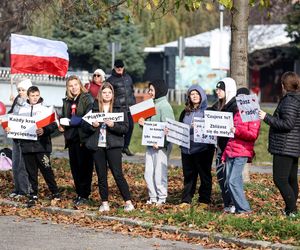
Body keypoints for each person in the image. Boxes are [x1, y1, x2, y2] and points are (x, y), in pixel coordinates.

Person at [84, 82, 134, 212]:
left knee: (118, 174)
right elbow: (84, 126)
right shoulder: (93, 107)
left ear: (113, 94)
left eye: (109, 92)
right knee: (101, 175)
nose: (107, 95)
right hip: (98, 146)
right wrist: (92, 126)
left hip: (113, 146)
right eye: (104, 92)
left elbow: (125, 128)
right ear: (100, 94)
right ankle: (104, 202)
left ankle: (128, 202)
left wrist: (113, 125)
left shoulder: (119, 108)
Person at [259, 72, 300, 217]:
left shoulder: (289, 101)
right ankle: (292, 211)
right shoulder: (296, 99)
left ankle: (291, 210)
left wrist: (266, 117)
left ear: (284, 85)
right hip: (293, 146)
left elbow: (287, 124)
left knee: (280, 179)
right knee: (291, 179)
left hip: (284, 146)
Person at [18, 86, 59, 207]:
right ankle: (33, 194)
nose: (35, 98)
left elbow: (54, 125)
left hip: (42, 146)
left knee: (47, 170)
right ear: (28, 96)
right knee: (31, 172)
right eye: (32, 96)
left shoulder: (46, 110)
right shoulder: (21, 110)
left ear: (39, 95)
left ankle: (55, 192)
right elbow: (16, 126)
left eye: (37, 95)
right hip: (27, 146)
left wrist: (44, 130)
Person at [222, 87, 260, 215]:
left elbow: (253, 135)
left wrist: (237, 131)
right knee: (230, 181)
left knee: (233, 181)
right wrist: (224, 154)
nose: (240, 101)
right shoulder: (237, 113)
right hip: (231, 151)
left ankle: (244, 209)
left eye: (242, 98)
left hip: (242, 152)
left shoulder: (252, 113)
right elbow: (231, 137)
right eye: (238, 98)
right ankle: (239, 209)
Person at [138, 80, 175, 205]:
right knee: (148, 173)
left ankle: (162, 197)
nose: (149, 92)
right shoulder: (150, 105)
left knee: (159, 173)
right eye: (149, 90)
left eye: (152, 90)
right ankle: (152, 197)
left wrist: (161, 143)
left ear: (158, 90)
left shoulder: (165, 106)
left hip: (161, 147)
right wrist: (142, 124)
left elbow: (169, 129)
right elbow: (149, 127)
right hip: (150, 145)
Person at [179, 85, 215, 208]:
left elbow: (212, 129)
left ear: (202, 95)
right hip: (187, 149)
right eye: (192, 94)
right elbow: (179, 128)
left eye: (197, 94)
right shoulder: (185, 112)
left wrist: (200, 126)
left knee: (204, 175)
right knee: (189, 175)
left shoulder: (208, 112)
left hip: (203, 149)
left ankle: (204, 200)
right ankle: (186, 199)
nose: (194, 96)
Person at [60, 75, 94, 205]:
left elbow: (90, 116)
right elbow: (64, 117)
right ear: (68, 88)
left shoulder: (87, 98)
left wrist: (77, 121)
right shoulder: (67, 100)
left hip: (83, 138)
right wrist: (61, 125)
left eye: (75, 85)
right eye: (70, 85)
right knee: (75, 168)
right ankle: (79, 193)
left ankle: (85, 195)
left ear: (79, 85)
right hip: (71, 138)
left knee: (84, 167)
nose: (73, 88)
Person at [210, 77, 237, 213]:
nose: (218, 92)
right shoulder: (217, 105)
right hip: (219, 146)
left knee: (229, 177)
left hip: (230, 147)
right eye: (217, 89)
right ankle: (227, 203)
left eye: (221, 89)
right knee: (221, 176)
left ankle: (233, 203)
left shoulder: (235, 106)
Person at [7, 79, 32, 198]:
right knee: (15, 163)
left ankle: (24, 190)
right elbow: (10, 114)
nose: (21, 92)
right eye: (19, 90)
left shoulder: (31, 103)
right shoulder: (17, 100)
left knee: (23, 165)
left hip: (25, 138)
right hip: (15, 137)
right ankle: (17, 188)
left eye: (23, 90)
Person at [107, 59, 135, 156]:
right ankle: (118, 148)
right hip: (117, 108)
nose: (119, 68)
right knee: (119, 129)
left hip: (129, 108)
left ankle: (125, 147)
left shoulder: (128, 78)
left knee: (130, 126)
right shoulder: (110, 80)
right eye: (117, 67)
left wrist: (134, 103)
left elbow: (132, 92)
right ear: (114, 67)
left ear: (123, 67)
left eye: (121, 67)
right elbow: (108, 94)